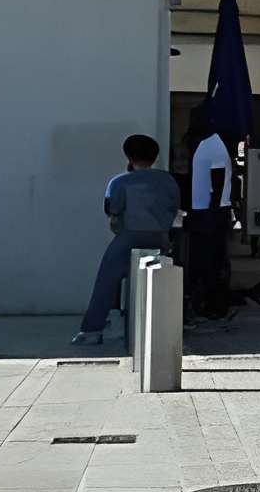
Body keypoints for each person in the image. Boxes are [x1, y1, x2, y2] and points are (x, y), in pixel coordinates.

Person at [71, 134, 182, 348]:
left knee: (107, 278)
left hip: (129, 237)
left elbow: (112, 210)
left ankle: (92, 330)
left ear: (129, 156)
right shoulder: (168, 180)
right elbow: (173, 207)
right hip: (160, 239)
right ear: (155, 157)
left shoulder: (119, 181)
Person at [183, 106, 236, 323]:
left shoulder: (213, 146)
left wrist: (209, 217)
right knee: (206, 260)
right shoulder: (209, 144)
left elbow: (217, 180)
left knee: (209, 261)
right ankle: (206, 301)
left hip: (211, 213)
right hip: (207, 212)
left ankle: (212, 304)